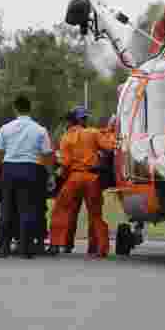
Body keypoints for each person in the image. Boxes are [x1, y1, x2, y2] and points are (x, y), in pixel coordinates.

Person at [0, 95, 54, 259]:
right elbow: (47, 154)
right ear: (30, 108)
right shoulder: (40, 129)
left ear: (15, 108)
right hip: (30, 169)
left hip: (9, 169)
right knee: (27, 209)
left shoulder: (5, 128)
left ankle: (3, 248)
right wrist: (50, 175)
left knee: (6, 209)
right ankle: (25, 249)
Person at [48, 106, 115, 258]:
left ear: (68, 123)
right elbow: (110, 148)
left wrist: (60, 178)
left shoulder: (66, 137)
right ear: (79, 120)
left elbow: (65, 163)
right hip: (93, 178)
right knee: (96, 215)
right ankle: (100, 248)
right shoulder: (93, 132)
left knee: (61, 210)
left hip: (74, 177)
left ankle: (56, 244)